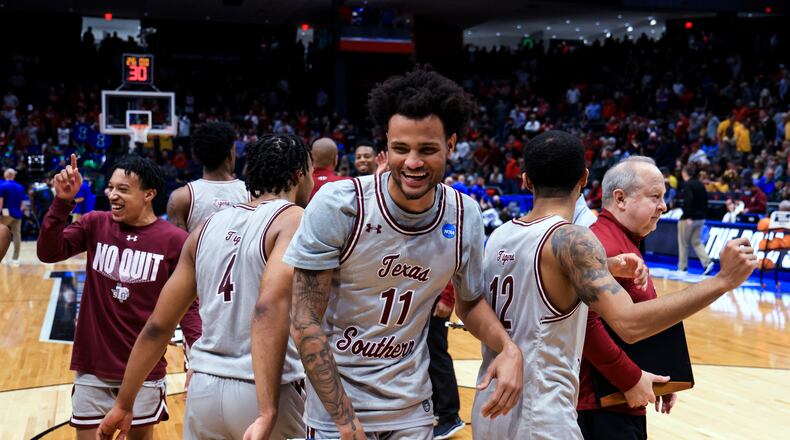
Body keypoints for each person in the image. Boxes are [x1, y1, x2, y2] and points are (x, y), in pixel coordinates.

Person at [284, 67, 523, 439]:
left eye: (427, 149)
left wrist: (508, 349)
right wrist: (345, 422)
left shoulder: (464, 215)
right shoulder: (341, 205)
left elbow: (471, 303)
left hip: (411, 406)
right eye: (400, 149)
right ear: (385, 146)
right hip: (337, 409)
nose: (412, 162)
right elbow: (304, 320)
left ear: (451, 144)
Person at [472, 130, 756, 439]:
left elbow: (531, 280)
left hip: (491, 402)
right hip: (541, 412)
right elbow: (628, 323)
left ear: (525, 180)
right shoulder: (574, 238)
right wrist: (722, 281)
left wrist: (604, 266)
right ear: (584, 179)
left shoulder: (501, 234)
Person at [97, 135, 314, 440]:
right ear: (299, 175)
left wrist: (124, 402)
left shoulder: (205, 227)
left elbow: (158, 327)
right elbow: (267, 309)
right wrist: (267, 409)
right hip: (264, 389)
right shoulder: (294, 219)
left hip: (203, 389)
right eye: (312, 173)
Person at [37, 154, 200, 439]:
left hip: (143, 374)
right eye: (111, 187)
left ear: (149, 194)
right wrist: (62, 202)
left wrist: (196, 359)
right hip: (92, 368)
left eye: (123, 189)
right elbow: (49, 252)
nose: (112, 194)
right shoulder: (94, 224)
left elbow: (189, 307)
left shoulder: (175, 241)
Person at [576, 157, 678, 440]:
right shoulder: (603, 243)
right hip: (602, 407)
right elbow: (586, 325)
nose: (663, 206)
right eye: (655, 197)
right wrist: (631, 378)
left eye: (664, 197)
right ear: (620, 198)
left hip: (619, 401)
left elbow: (642, 320)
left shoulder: (622, 239)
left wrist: (662, 379)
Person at [167, 121, 248, 232]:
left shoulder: (180, 198)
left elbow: (179, 247)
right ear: (230, 154)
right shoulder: (252, 194)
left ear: (195, 156)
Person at [429, 282, 464, 439]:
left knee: (436, 353)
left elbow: (453, 263)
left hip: (439, 294)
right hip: (426, 290)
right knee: (426, 353)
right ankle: (437, 408)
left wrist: (448, 297)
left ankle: (450, 417)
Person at [678, 166, 714, 275]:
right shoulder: (700, 184)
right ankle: (707, 263)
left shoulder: (688, 184)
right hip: (701, 218)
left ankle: (682, 267)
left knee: (683, 243)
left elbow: (689, 200)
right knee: (696, 242)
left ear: (685, 173)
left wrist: (688, 216)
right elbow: (705, 202)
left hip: (689, 218)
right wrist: (702, 215)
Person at [0, 168, 24, 264]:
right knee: (17, 235)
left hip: (6, 214)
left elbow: (0, 202)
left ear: (6, 175)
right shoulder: (20, 187)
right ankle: (15, 258)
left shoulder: (2, 186)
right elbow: (23, 203)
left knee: (1, 234)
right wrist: (20, 212)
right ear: (13, 176)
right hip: (18, 214)